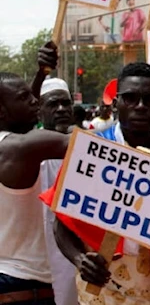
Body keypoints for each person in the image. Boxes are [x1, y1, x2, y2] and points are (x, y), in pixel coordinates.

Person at [41, 63, 150, 305]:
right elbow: (61, 224)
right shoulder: (91, 151)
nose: (140, 106)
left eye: (149, 99)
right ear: (116, 103)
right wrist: (80, 260)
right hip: (100, 286)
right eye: (130, 98)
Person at [0, 70, 72, 304]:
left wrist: (40, 73)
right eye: (24, 98)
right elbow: (91, 144)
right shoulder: (18, 148)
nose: (35, 101)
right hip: (24, 287)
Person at [38, 78, 79, 305]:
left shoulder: (86, 146)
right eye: (53, 104)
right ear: (40, 110)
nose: (61, 109)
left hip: (75, 254)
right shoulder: (28, 150)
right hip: (39, 256)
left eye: (66, 103)